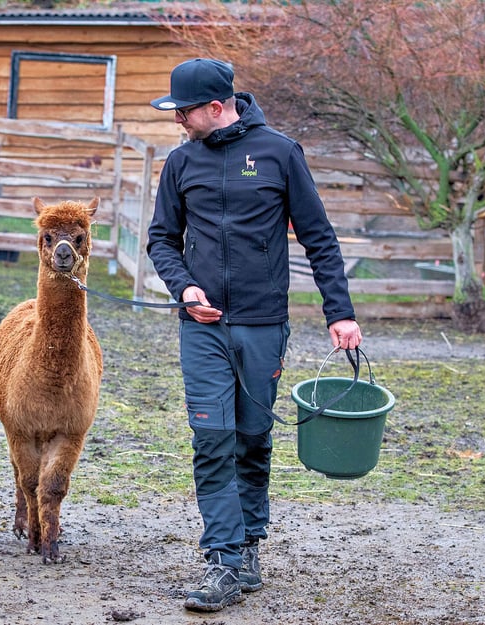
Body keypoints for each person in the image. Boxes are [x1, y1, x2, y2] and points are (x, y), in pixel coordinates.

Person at [146, 58, 363, 612]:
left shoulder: (280, 154)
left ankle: (249, 543)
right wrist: (184, 289)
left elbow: (319, 237)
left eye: (184, 111)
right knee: (211, 437)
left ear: (216, 108)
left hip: (264, 325)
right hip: (202, 328)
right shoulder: (179, 163)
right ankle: (222, 558)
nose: (178, 121)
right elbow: (162, 240)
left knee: (251, 436)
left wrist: (340, 313)